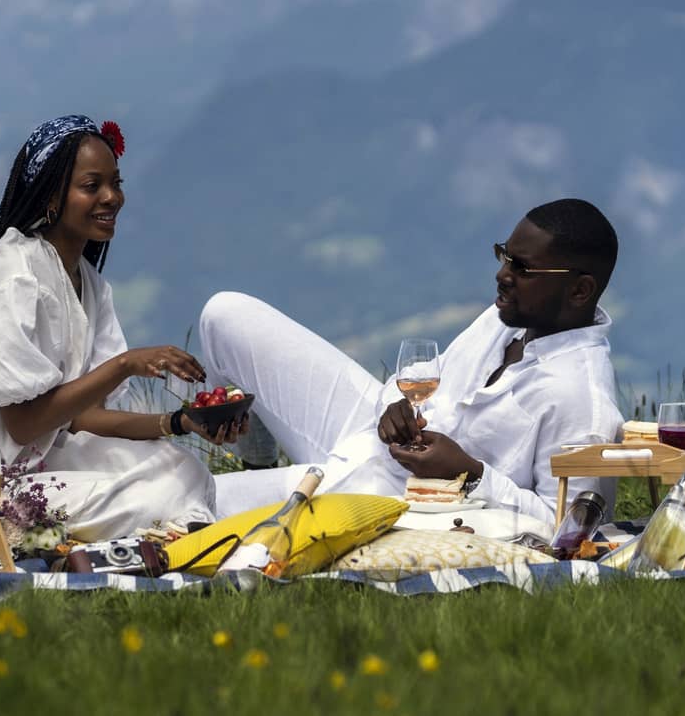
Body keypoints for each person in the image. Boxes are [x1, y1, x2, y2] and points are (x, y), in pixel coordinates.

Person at [0, 115, 246, 541]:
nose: (111, 197)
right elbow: (24, 426)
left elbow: (82, 417)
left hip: (41, 464)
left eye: (115, 183)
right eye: (91, 186)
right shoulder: (15, 275)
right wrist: (124, 364)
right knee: (158, 497)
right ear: (51, 196)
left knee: (184, 471)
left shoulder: (89, 283)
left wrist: (181, 422)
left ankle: (173, 535)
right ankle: (177, 541)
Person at [200, 198, 623, 523]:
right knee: (224, 314)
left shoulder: (584, 403)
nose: (502, 274)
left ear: (580, 291)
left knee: (189, 500)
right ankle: (257, 458)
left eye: (523, 268)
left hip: (390, 495)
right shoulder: (513, 317)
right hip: (368, 433)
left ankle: (269, 483)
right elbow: (425, 377)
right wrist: (394, 407)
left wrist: (471, 473)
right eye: (504, 256)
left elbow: (566, 527)